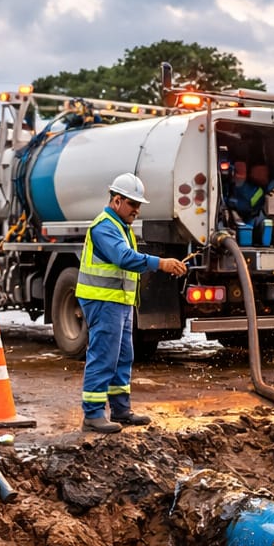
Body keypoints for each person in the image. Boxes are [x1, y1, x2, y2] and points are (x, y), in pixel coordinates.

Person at [76, 172, 187, 433]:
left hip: (119, 302)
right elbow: (123, 258)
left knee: (123, 356)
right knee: (104, 356)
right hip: (103, 301)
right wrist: (160, 263)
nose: (137, 210)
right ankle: (93, 415)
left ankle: (121, 410)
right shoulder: (104, 227)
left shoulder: (121, 227)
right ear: (117, 201)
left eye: (138, 205)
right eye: (133, 204)